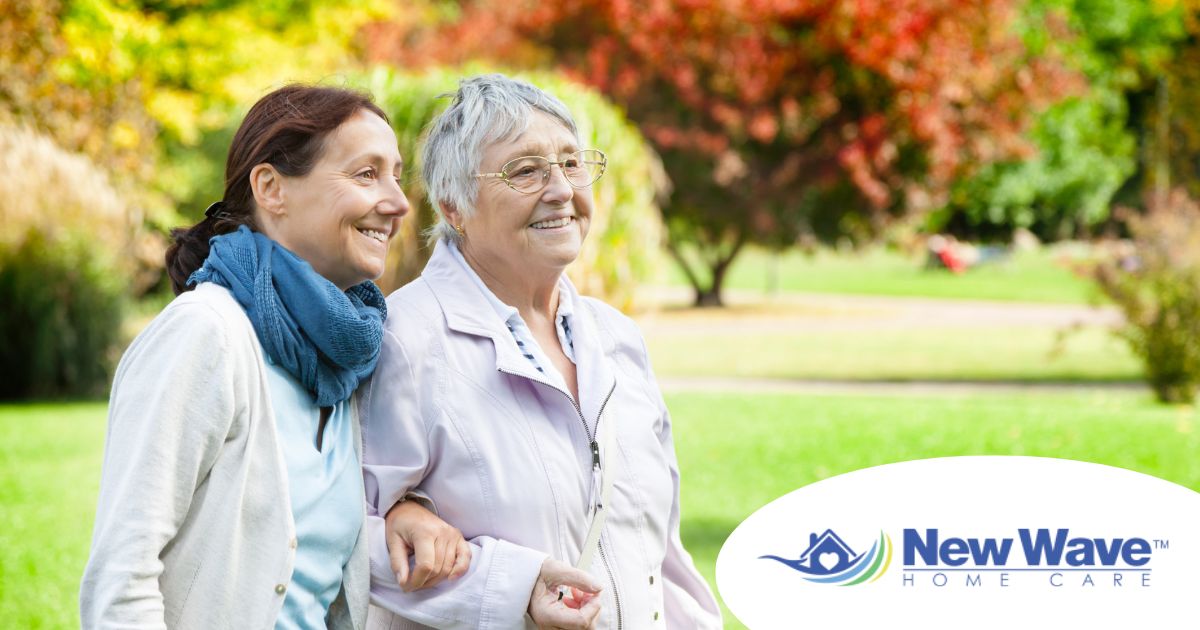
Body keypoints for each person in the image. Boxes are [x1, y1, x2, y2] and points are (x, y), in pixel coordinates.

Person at [80, 84, 469, 629]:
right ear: (271, 188)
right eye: (365, 174)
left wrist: (410, 512)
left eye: (396, 175)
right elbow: (121, 581)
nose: (400, 203)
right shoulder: (205, 335)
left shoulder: (350, 355)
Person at [361, 74, 722, 629]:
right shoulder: (405, 341)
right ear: (453, 207)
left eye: (572, 163)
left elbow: (658, 551)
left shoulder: (617, 338)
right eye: (525, 170)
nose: (561, 190)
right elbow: (348, 537)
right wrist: (512, 587)